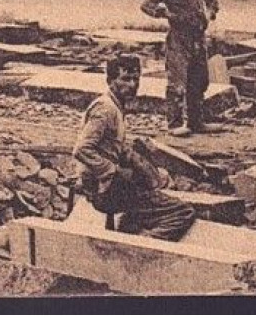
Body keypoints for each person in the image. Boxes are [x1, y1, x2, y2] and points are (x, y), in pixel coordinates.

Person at [72, 54, 196, 241]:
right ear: (110, 80)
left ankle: (129, 230)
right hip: (104, 189)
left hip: (105, 186)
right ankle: (144, 246)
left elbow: (112, 146)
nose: (132, 85)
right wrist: (111, 171)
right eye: (125, 79)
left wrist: (140, 163)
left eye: (136, 79)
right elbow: (81, 149)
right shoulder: (105, 110)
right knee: (183, 212)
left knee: (150, 187)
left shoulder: (115, 106)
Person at [140, 0, 220, 136]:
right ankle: (174, 123)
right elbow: (146, 4)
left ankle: (196, 121)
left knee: (199, 80)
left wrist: (209, 13)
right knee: (177, 82)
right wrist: (162, 12)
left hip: (199, 38)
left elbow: (213, 2)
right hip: (178, 38)